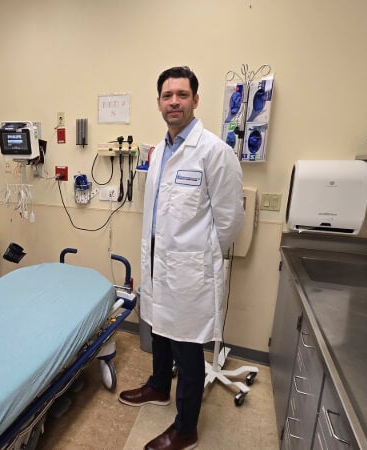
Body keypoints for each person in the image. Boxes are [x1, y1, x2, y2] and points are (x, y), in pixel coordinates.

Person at [119, 66, 244, 450]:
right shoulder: (159, 154)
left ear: (195, 100)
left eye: (182, 95)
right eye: (167, 95)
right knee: (157, 327)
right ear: (159, 102)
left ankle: (186, 427)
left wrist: (198, 257)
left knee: (187, 350)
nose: (174, 101)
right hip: (157, 263)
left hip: (190, 271)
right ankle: (158, 386)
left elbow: (230, 221)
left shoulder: (214, 152)